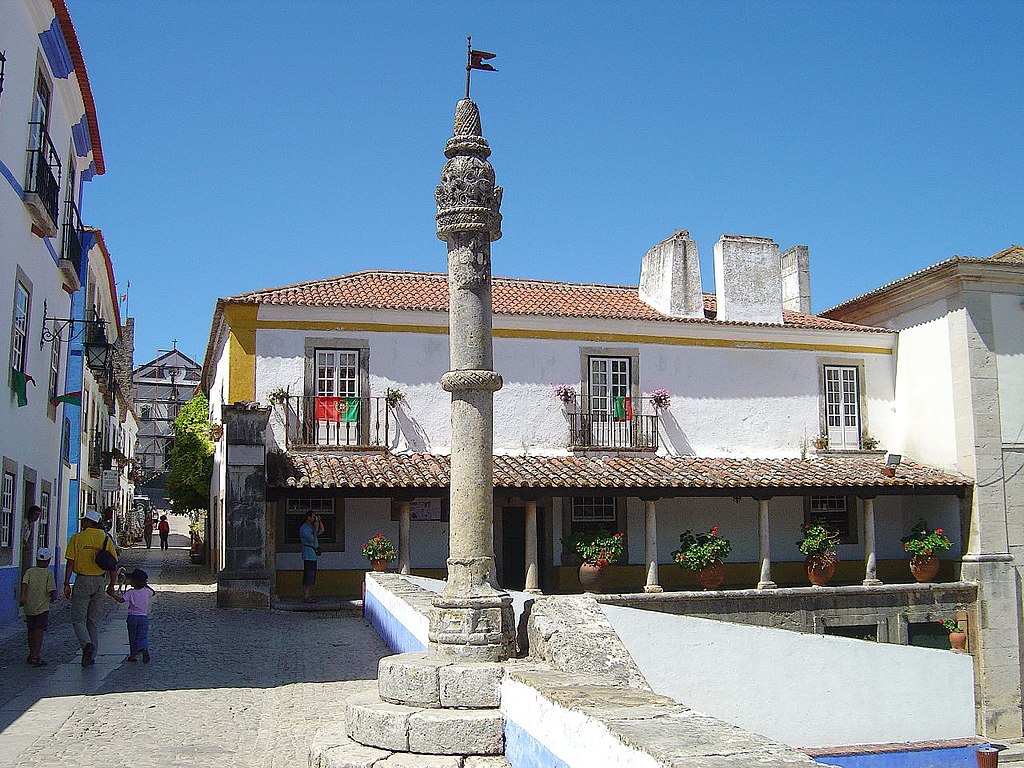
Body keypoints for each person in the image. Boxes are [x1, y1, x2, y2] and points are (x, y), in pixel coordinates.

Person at [64, 509, 118, 666]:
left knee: (78, 619)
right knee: (93, 621)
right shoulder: (106, 539)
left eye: (84, 520)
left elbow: (70, 562)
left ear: (89, 522)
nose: (82, 523)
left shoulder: (77, 538)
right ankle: (91, 656)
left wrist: (67, 582)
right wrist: (112, 585)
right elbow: (113, 565)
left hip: (82, 581)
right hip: (99, 582)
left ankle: (86, 645)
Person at [20, 547, 56, 666]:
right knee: (39, 631)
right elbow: (51, 590)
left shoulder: (29, 571)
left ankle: (31, 654)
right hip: (42, 608)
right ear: (48, 561)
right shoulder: (49, 573)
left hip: (29, 606)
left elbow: (24, 584)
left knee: (30, 630)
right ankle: (36, 655)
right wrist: (53, 598)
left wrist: (23, 596)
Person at [109, 568, 154, 663]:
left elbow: (121, 600)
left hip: (132, 617)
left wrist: (113, 595)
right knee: (143, 635)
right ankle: (144, 648)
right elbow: (153, 592)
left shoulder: (130, 592)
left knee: (133, 636)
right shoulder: (146, 591)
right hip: (143, 617)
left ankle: (133, 655)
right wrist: (146, 585)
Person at [299, 511, 324, 603]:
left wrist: (319, 522)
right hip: (308, 553)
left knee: (312, 575)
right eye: (313, 517)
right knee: (308, 575)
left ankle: (309, 594)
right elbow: (312, 538)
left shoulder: (310, 527)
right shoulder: (304, 528)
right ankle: (306, 594)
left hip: (313, 554)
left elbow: (322, 531)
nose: (314, 519)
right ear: (308, 518)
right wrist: (316, 527)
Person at [20, 505, 41, 573]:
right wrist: (26, 543)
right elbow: (20, 535)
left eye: (38, 515)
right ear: (30, 514)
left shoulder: (30, 524)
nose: (37, 517)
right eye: (35, 514)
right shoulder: (25, 523)